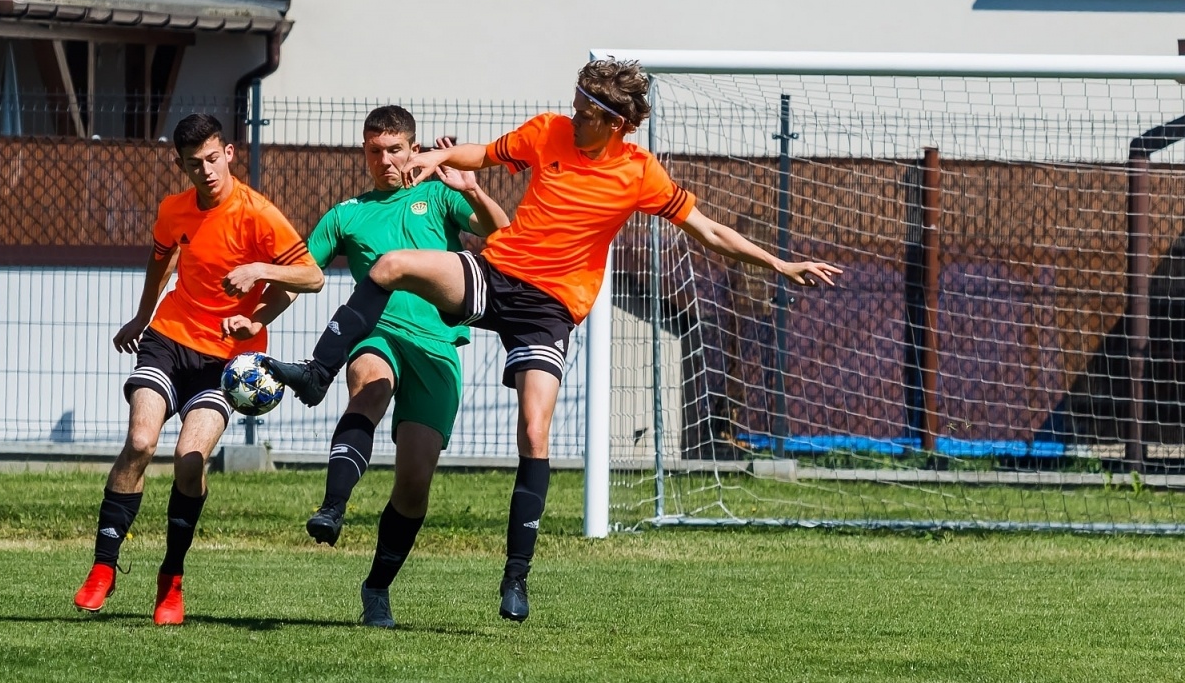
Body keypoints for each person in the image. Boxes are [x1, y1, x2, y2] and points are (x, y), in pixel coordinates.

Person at [264, 59, 841, 622]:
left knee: (534, 430)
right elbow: (484, 154)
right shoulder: (549, 131)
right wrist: (438, 154)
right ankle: (317, 376)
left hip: (552, 309)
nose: (573, 115)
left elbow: (709, 229)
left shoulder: (641, 173)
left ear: (616, 122)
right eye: (574, 103)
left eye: (585, 111)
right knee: (389, 265)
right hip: (500, 275)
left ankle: (516, 576)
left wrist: (780, 263)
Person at [225, 106, 508, 628]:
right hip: (374, 333)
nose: (385, 160)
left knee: (414, 482)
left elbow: (501, 232)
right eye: (374, 150)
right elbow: (303, 276)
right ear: (364, 152)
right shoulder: (346, 214)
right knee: (370, 390)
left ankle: (376, 587)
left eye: (395, 149)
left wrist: (470, 188)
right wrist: (255, 316)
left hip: (437, 349)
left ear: (413, 148)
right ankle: (332, 507)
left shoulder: (441, 195)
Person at [73, 113, 322, 624]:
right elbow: (160, 257)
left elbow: (311, 277)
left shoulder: (258, 213)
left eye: (213, 158)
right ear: (181, 165)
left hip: (226, 360)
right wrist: (143, 315)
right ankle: (103, 566)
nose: (206, 170)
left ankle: (172, 580)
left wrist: (257, 283)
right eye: (194, 163)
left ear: (228, 153)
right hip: (168, 340)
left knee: (189, 460)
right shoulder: (174, 209)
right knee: (141, 442)